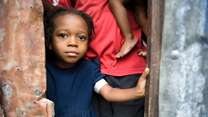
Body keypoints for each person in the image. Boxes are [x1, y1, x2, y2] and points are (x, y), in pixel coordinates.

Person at [43, 1, 147, 117]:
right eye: (63, 35)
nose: (73, 43)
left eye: (81, 37)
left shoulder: (89, 69)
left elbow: (108, 93)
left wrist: (137, 91)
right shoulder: (42, 70)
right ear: (49, 42)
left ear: (88, 44)